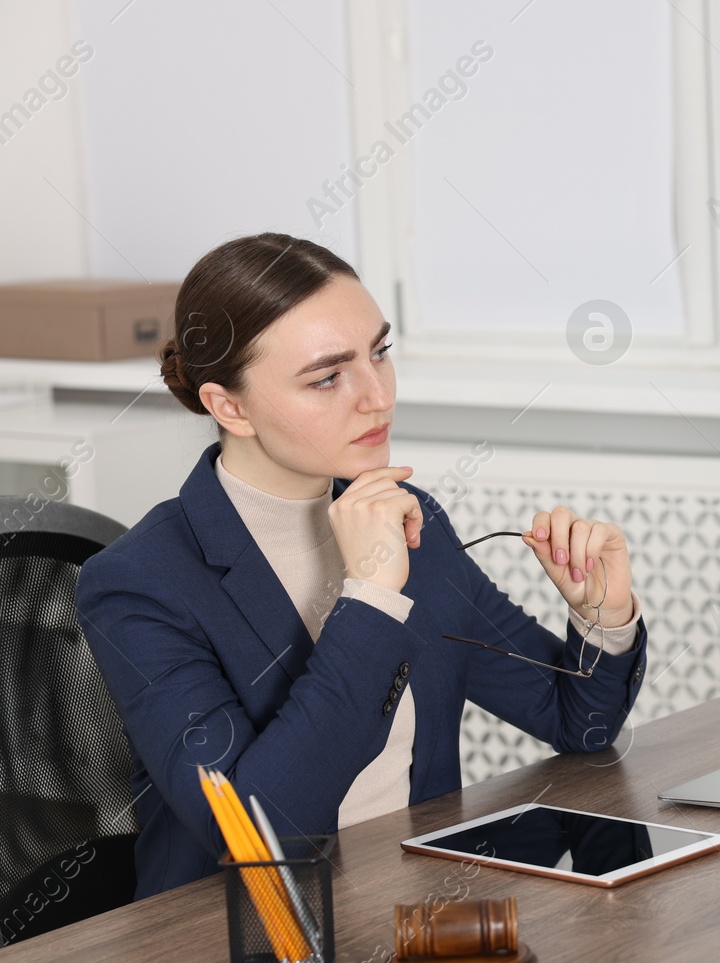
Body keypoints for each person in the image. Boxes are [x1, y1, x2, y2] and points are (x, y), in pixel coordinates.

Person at [76, 234, 649, 899]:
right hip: (251, 955)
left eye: (380, 353)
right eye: (328, 376)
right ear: (228, 406)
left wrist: (601, 613)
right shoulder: (141, 582)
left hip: (414, 920)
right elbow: (258, 832)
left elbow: (578, 720)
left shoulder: (413, 522)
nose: (377, 396)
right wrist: (371, 598)